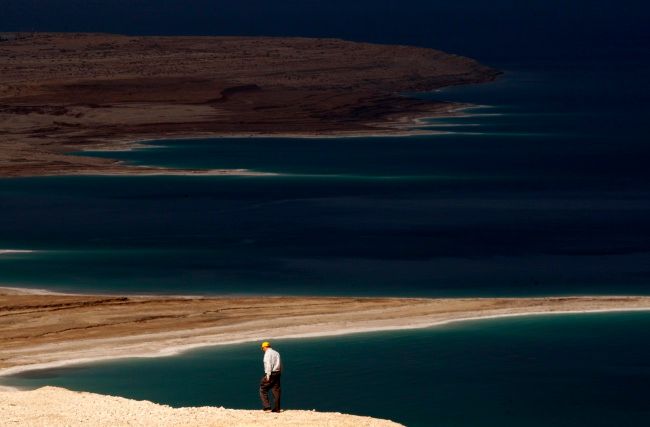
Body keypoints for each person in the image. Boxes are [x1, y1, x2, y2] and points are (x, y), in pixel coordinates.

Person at [259, 341, 282, 412]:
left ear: (265, 347)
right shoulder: (276, 353)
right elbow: (280, 363)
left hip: (271, 373)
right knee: (276, 390)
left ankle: (267, 407)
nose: (263, 350)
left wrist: (268, 375)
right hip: (278, 372)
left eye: (263, 348)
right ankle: (277, 408)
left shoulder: (267, 354)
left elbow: (268, 364)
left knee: (263, 388)